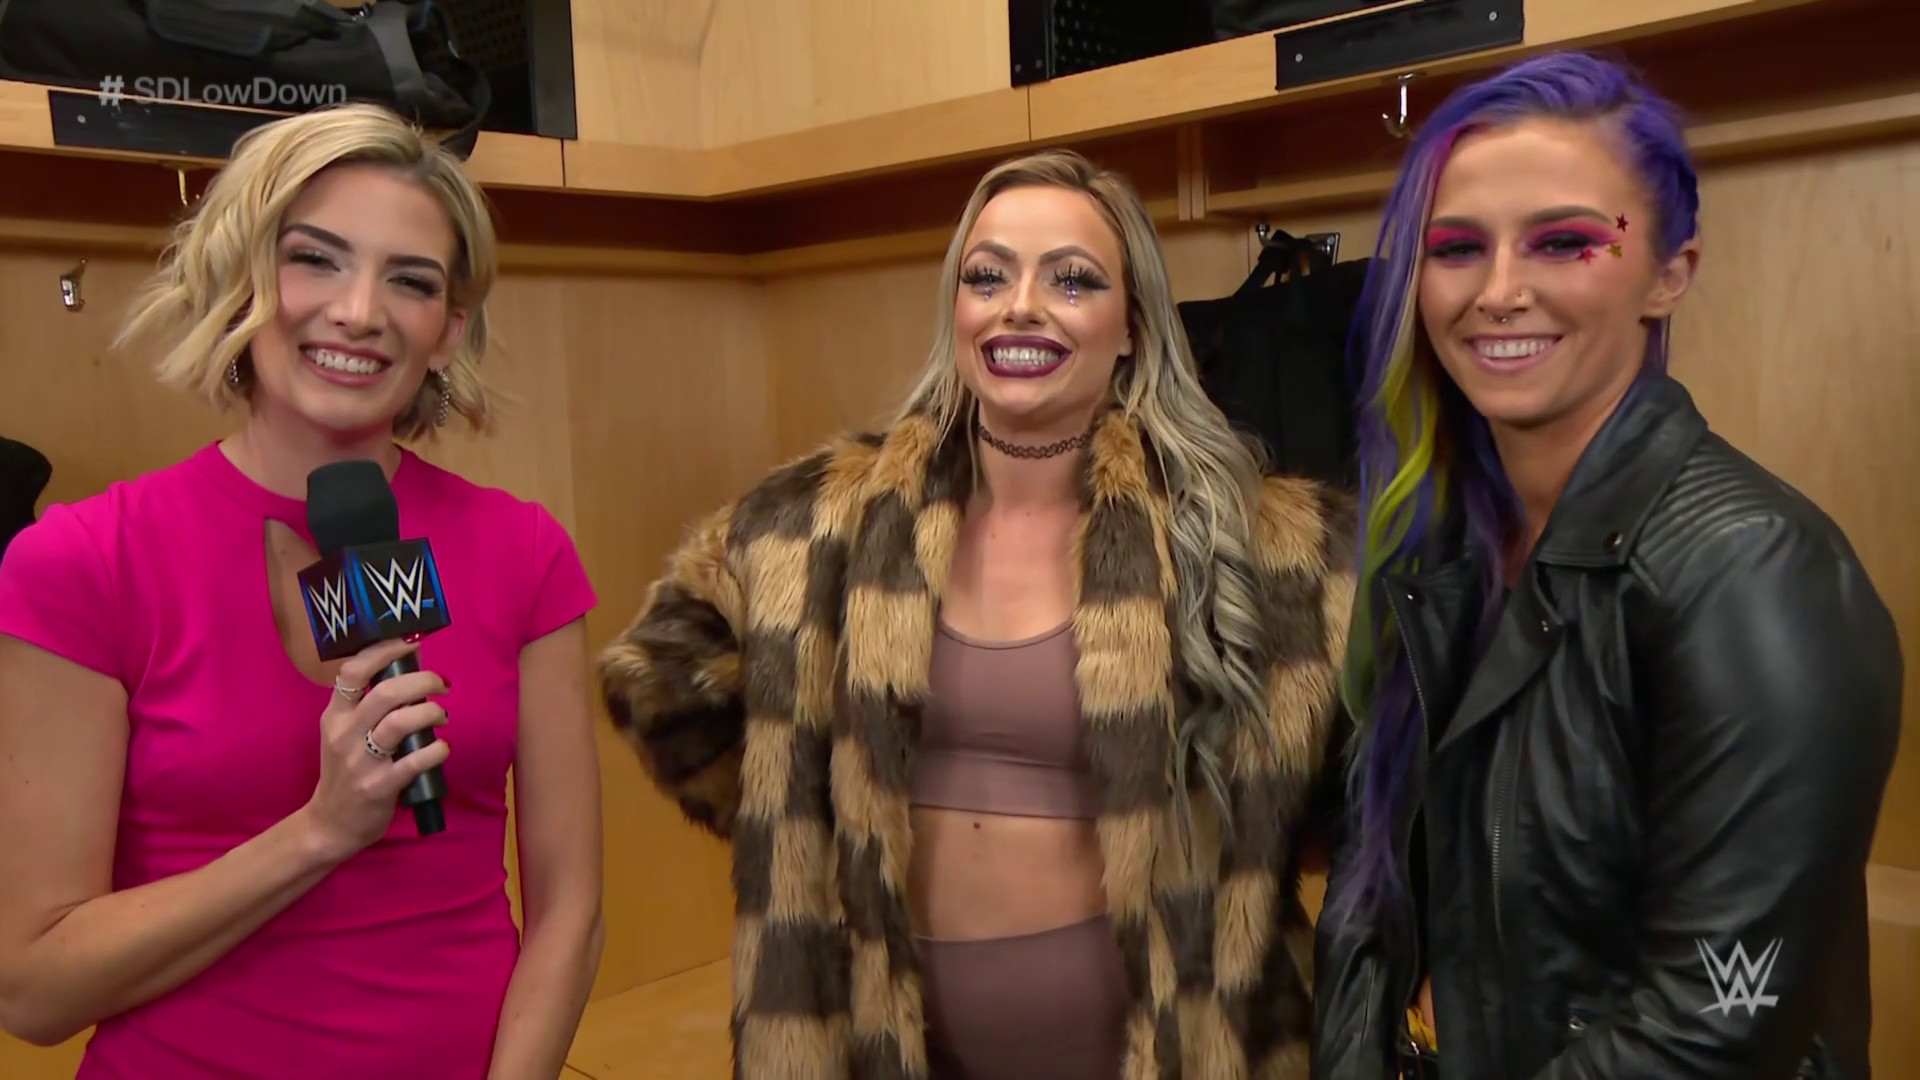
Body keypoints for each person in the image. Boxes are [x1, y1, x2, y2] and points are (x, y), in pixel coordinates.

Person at [596, 149, 1356, 1079]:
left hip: (1183, 1049)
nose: (1020, 306)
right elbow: (657, 681)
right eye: (987, 276)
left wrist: (1241, 854)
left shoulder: (1266, 545)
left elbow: (1372, 807)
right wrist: (801, 819)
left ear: (1132, 326)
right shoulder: (815, 525)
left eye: (1072, 280)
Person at [1312, 50, 1903, 1080]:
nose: (1499, 292)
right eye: (1457, 248)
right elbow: (1377, 906)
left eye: (1564, 242)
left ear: (1669, 273)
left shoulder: (1754, 572)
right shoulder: (1436, 547)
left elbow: (1715, 1020)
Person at [0, 103, 605, 1079]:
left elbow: (569, 910)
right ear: (242, 279)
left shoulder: (522, 551)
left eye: (410, 280)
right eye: (315, 259)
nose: (359, 311)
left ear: (447, 331)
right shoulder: (83, 561)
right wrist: (321, 832)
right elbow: (34, 990)